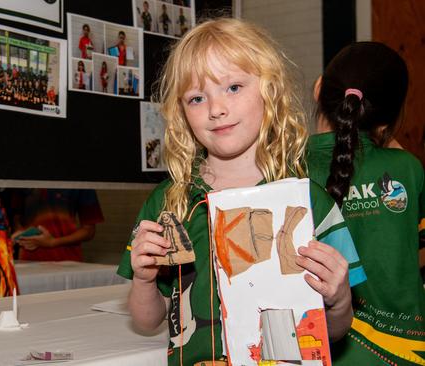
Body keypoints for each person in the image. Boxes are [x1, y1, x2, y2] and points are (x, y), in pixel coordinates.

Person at [117, 18, 366, 365]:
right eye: (197, 97)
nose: (216, 109)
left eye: (233, 87)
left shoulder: (307, 201)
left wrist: (339, 299)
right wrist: (143, 279)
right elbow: (148, 320)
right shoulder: (168, 202)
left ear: (269, 90)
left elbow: (335, 330)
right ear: (181, 112)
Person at [307, 42, 425, 365]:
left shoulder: (286, 169)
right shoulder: (408, 170)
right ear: (386, 122)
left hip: (319, 352)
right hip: (407, 353)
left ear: (319, 89)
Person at [10, 189, 104, 262]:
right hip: (28, 260)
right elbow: (16, 216)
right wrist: (21, 234)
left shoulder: (81, 181)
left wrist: (53, 242)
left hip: (67, 262)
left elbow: (89, 230)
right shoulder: (23, 177)